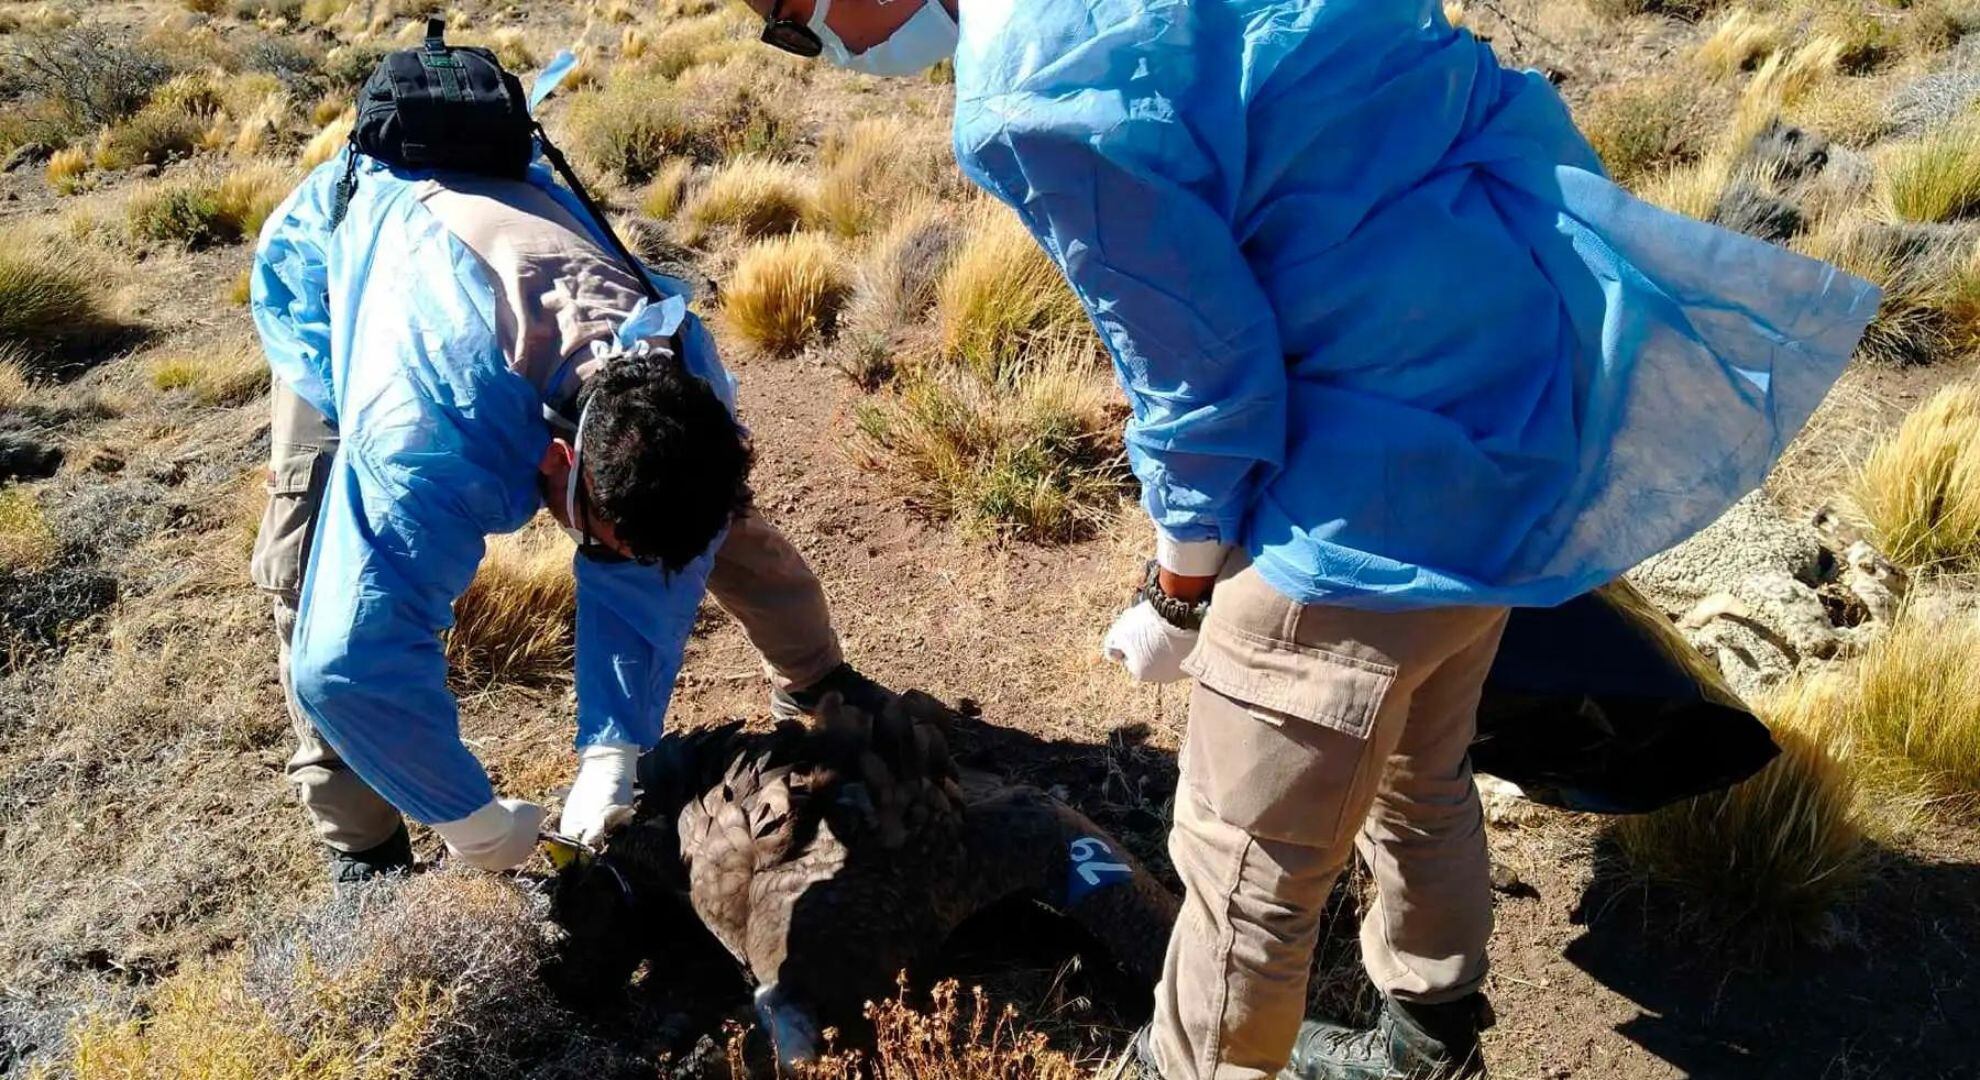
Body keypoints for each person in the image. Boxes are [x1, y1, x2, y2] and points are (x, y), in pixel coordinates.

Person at [741, 1, 1878, 1078]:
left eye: (794, 20)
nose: (813, 44)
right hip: (1502, 412)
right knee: (1422, 768)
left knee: (1243, 868)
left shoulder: (1034, 90)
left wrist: (1178, 591)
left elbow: (1204, 380)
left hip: (1356, 500)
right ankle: (1430, 1035)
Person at [248, 130, 890, 885]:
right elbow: (348, 661)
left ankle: (814, 676)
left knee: (699, 524)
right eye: (603, 540)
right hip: (349, 272)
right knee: (319, 576)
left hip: (503, 247)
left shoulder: (687, 374)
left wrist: (611, 748)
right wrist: (470, 818)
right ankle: (362, 843)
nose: (620, 562)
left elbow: (660, 552)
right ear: (556, 461)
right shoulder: (420, 433)